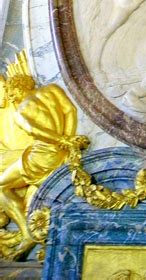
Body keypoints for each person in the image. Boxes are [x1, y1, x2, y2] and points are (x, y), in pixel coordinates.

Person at [0, 68, 87, 257]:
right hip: (60, 152)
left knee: (1, 187)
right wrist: (67, 140)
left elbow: (35, 130)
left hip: (41, 155)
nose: (10, 97)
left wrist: (61, 141)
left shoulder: (21, 110)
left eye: (10, 92)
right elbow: (70, 110)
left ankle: (27, 233)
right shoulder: (52, 89)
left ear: (16, 89)